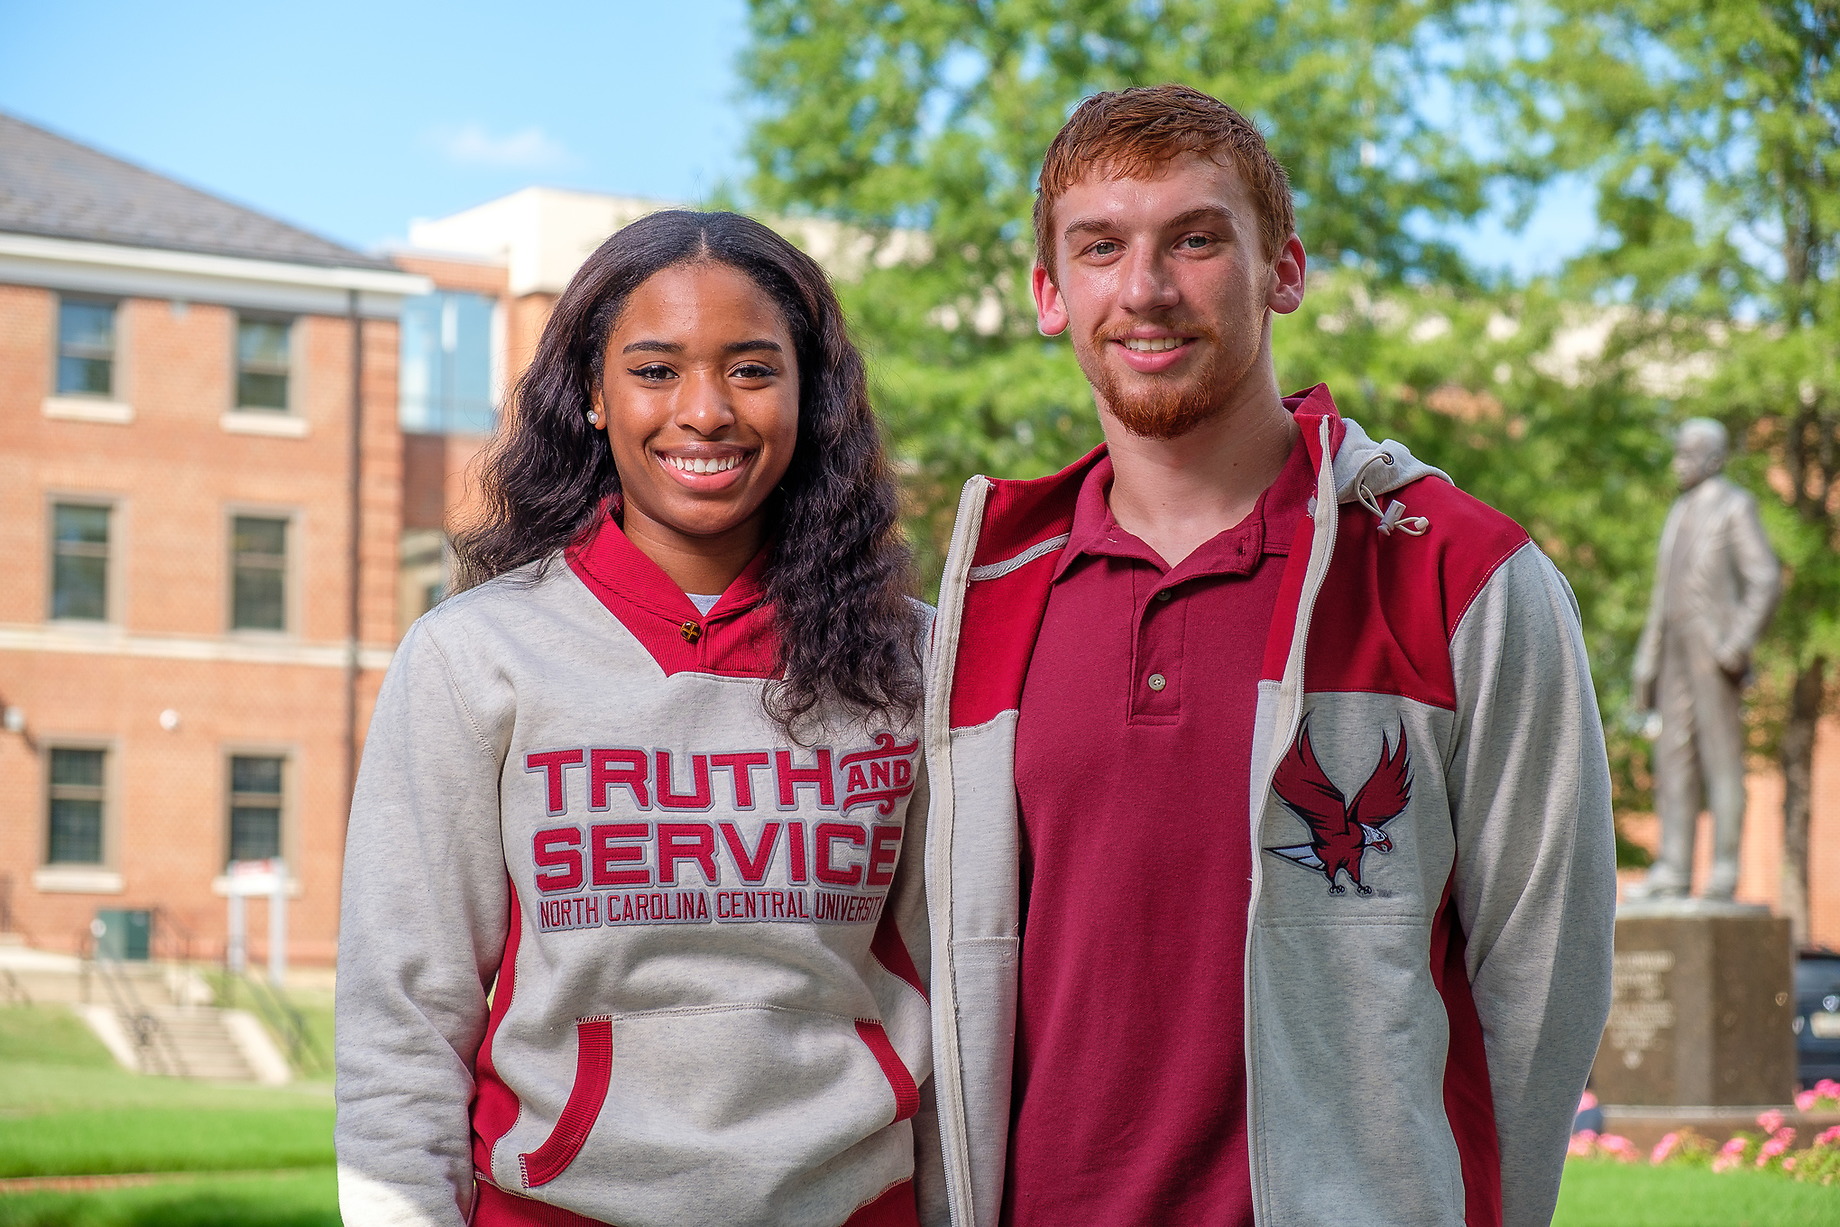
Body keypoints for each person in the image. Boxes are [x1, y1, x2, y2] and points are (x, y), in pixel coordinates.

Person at [921, 85, 1616, 1227]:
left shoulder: (1460, 575)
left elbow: (1542, 981)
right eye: (1100, 248)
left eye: (1195, 240)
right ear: (1050, 295)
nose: (1144, 290)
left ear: (1282, 272)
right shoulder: (986, 598)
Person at [335, 211, 939, 1227]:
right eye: (656, 370)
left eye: (751, 370)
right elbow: (404, 1014)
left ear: (809, 396)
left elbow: (966, 991)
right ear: (591, 396)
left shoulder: (916, 662)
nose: (704, 411)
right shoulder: (474, 654)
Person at [1631, 418, 1780, 901]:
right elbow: (1661, 595)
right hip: (1674, 654)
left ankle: (1724, 869)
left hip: (1713, 657)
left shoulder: (1735, 507)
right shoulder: (1678, 511)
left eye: (1688, 454)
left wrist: (1736, 644)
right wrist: (1646, 662)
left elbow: (1765, 579)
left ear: (1714, 459)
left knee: (1721, 763)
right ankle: (1673, 869)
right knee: (1672, 760)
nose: (1678, 462)